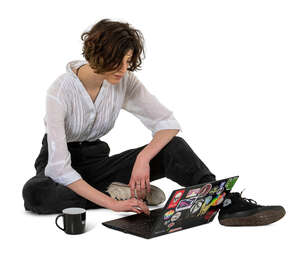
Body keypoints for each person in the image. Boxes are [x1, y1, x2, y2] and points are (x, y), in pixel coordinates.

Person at [22, 18, 285, 226]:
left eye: (127, 62)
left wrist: (143, 158)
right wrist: (113, 205)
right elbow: (59, 169)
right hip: (57, 164)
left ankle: (225, 202)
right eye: (117, 61)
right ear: (97, 53)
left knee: (174, 146)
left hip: (98, 163)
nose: (123, 70)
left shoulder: (123, 80)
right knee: (36, 194)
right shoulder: (59, 91)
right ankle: (114, 194)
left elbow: (166, 123)